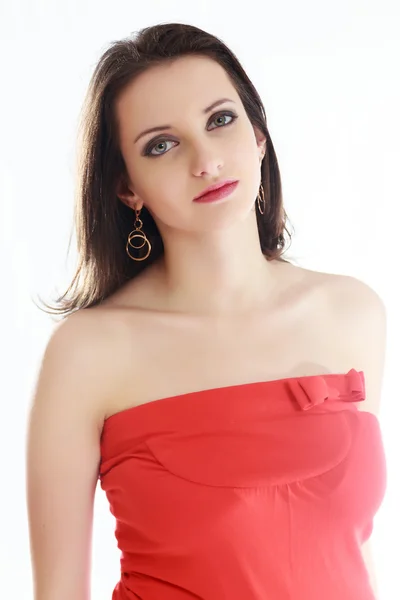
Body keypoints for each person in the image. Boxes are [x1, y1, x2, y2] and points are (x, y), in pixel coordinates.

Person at [26, 22, 387, 600]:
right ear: (127, 188)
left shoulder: (351, 313)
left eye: (220, 120)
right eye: (161, 145)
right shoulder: (89, 352)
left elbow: (352, 549)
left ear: (260, 135)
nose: (206, 160)